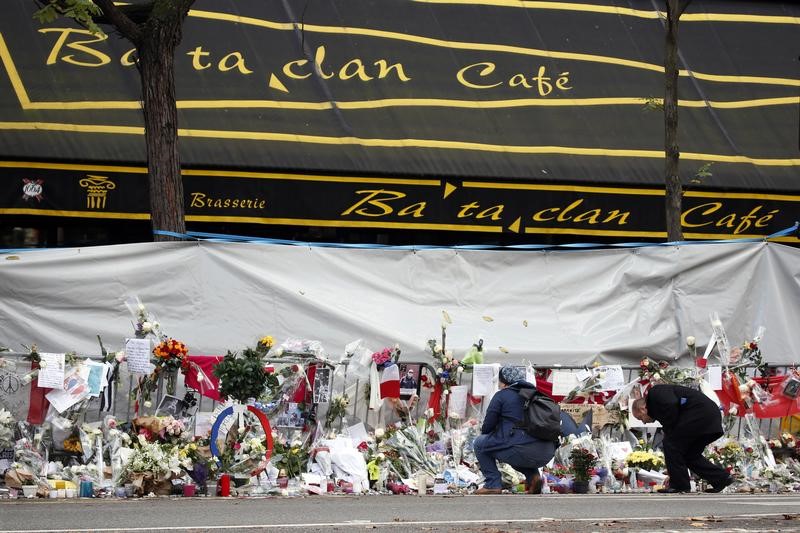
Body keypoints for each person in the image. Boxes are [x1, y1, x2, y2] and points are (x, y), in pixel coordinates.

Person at [631, 384, 733, 493]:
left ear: (643, 409)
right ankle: (721, 478)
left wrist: (670, 428)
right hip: (709, 416)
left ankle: (679, 485)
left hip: (700, 414)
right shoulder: (658, 405)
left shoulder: (654, 394)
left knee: (670, 444)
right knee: (689, 455)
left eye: (640, 418)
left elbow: (672, 403)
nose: (644, 422)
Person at [472, 365, 556, 494]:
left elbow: (488, 426)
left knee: (480, 444)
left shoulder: (502, 395)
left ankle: (492, 484)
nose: (498, 384)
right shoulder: (537, 394)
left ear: (504, 382)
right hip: (547, 453)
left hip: (519, 448)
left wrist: (493, 437)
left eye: (499, 381)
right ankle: (533, 477)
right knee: (514, 448)